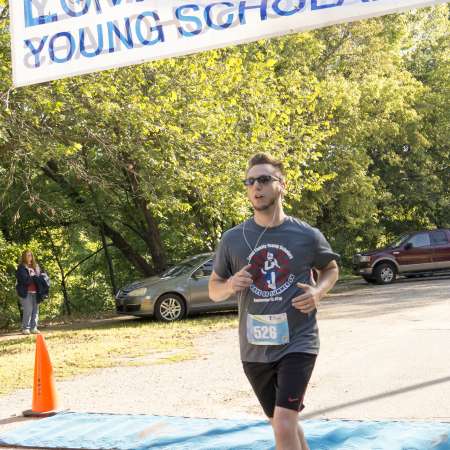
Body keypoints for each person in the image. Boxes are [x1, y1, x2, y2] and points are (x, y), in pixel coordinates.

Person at [209, 153, 339, 450]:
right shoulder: (232, 239)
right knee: (283, 423)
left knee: (282, 424)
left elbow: (331, 269)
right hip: (254, 347)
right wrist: (229, 284)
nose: (256, 186)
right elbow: (214, 289)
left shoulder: (306, 235)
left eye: (265, 179)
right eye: (250, 181)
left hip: (298, 341)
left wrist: (318, 292)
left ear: (282, 185)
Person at [16, 250, 41, 335]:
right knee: (28, 310)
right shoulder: (21, 267)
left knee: (35, 310)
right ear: (24, 257)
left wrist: (36, 276)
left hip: (36, 292)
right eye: (27, 255)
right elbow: (25, 280)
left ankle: (33, 328)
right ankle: (25, 328)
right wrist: (33, 277)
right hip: (25, 292)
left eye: (30, 255)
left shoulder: (35, 266)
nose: (29, 257)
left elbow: (39, 277)